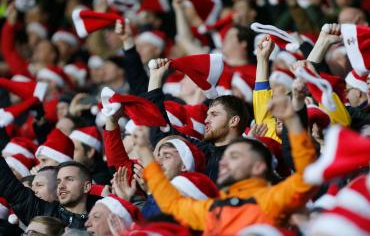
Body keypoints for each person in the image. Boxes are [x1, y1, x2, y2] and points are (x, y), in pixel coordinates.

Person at [139, 95, 317, 234]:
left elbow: (307, 178)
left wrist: (292, 122)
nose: (223, 161)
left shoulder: (271, 199)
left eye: (235, 156)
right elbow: (171, 204)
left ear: (258, 167)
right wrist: (146, 155)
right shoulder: (213, 208)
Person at [145, 58, 249, 182]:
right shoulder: (201, 152)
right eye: (207, 115)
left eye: (214, 114)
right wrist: (155, 78)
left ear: (233, 121)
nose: (206, 120)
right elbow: (162, 128)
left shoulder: (249, 155)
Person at [0, 158, 98, 229]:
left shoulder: (105, 215)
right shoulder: (44, 213)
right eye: (58, 181)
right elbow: (11, 188)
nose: (61, 186)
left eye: (69, 179)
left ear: (86, 187)